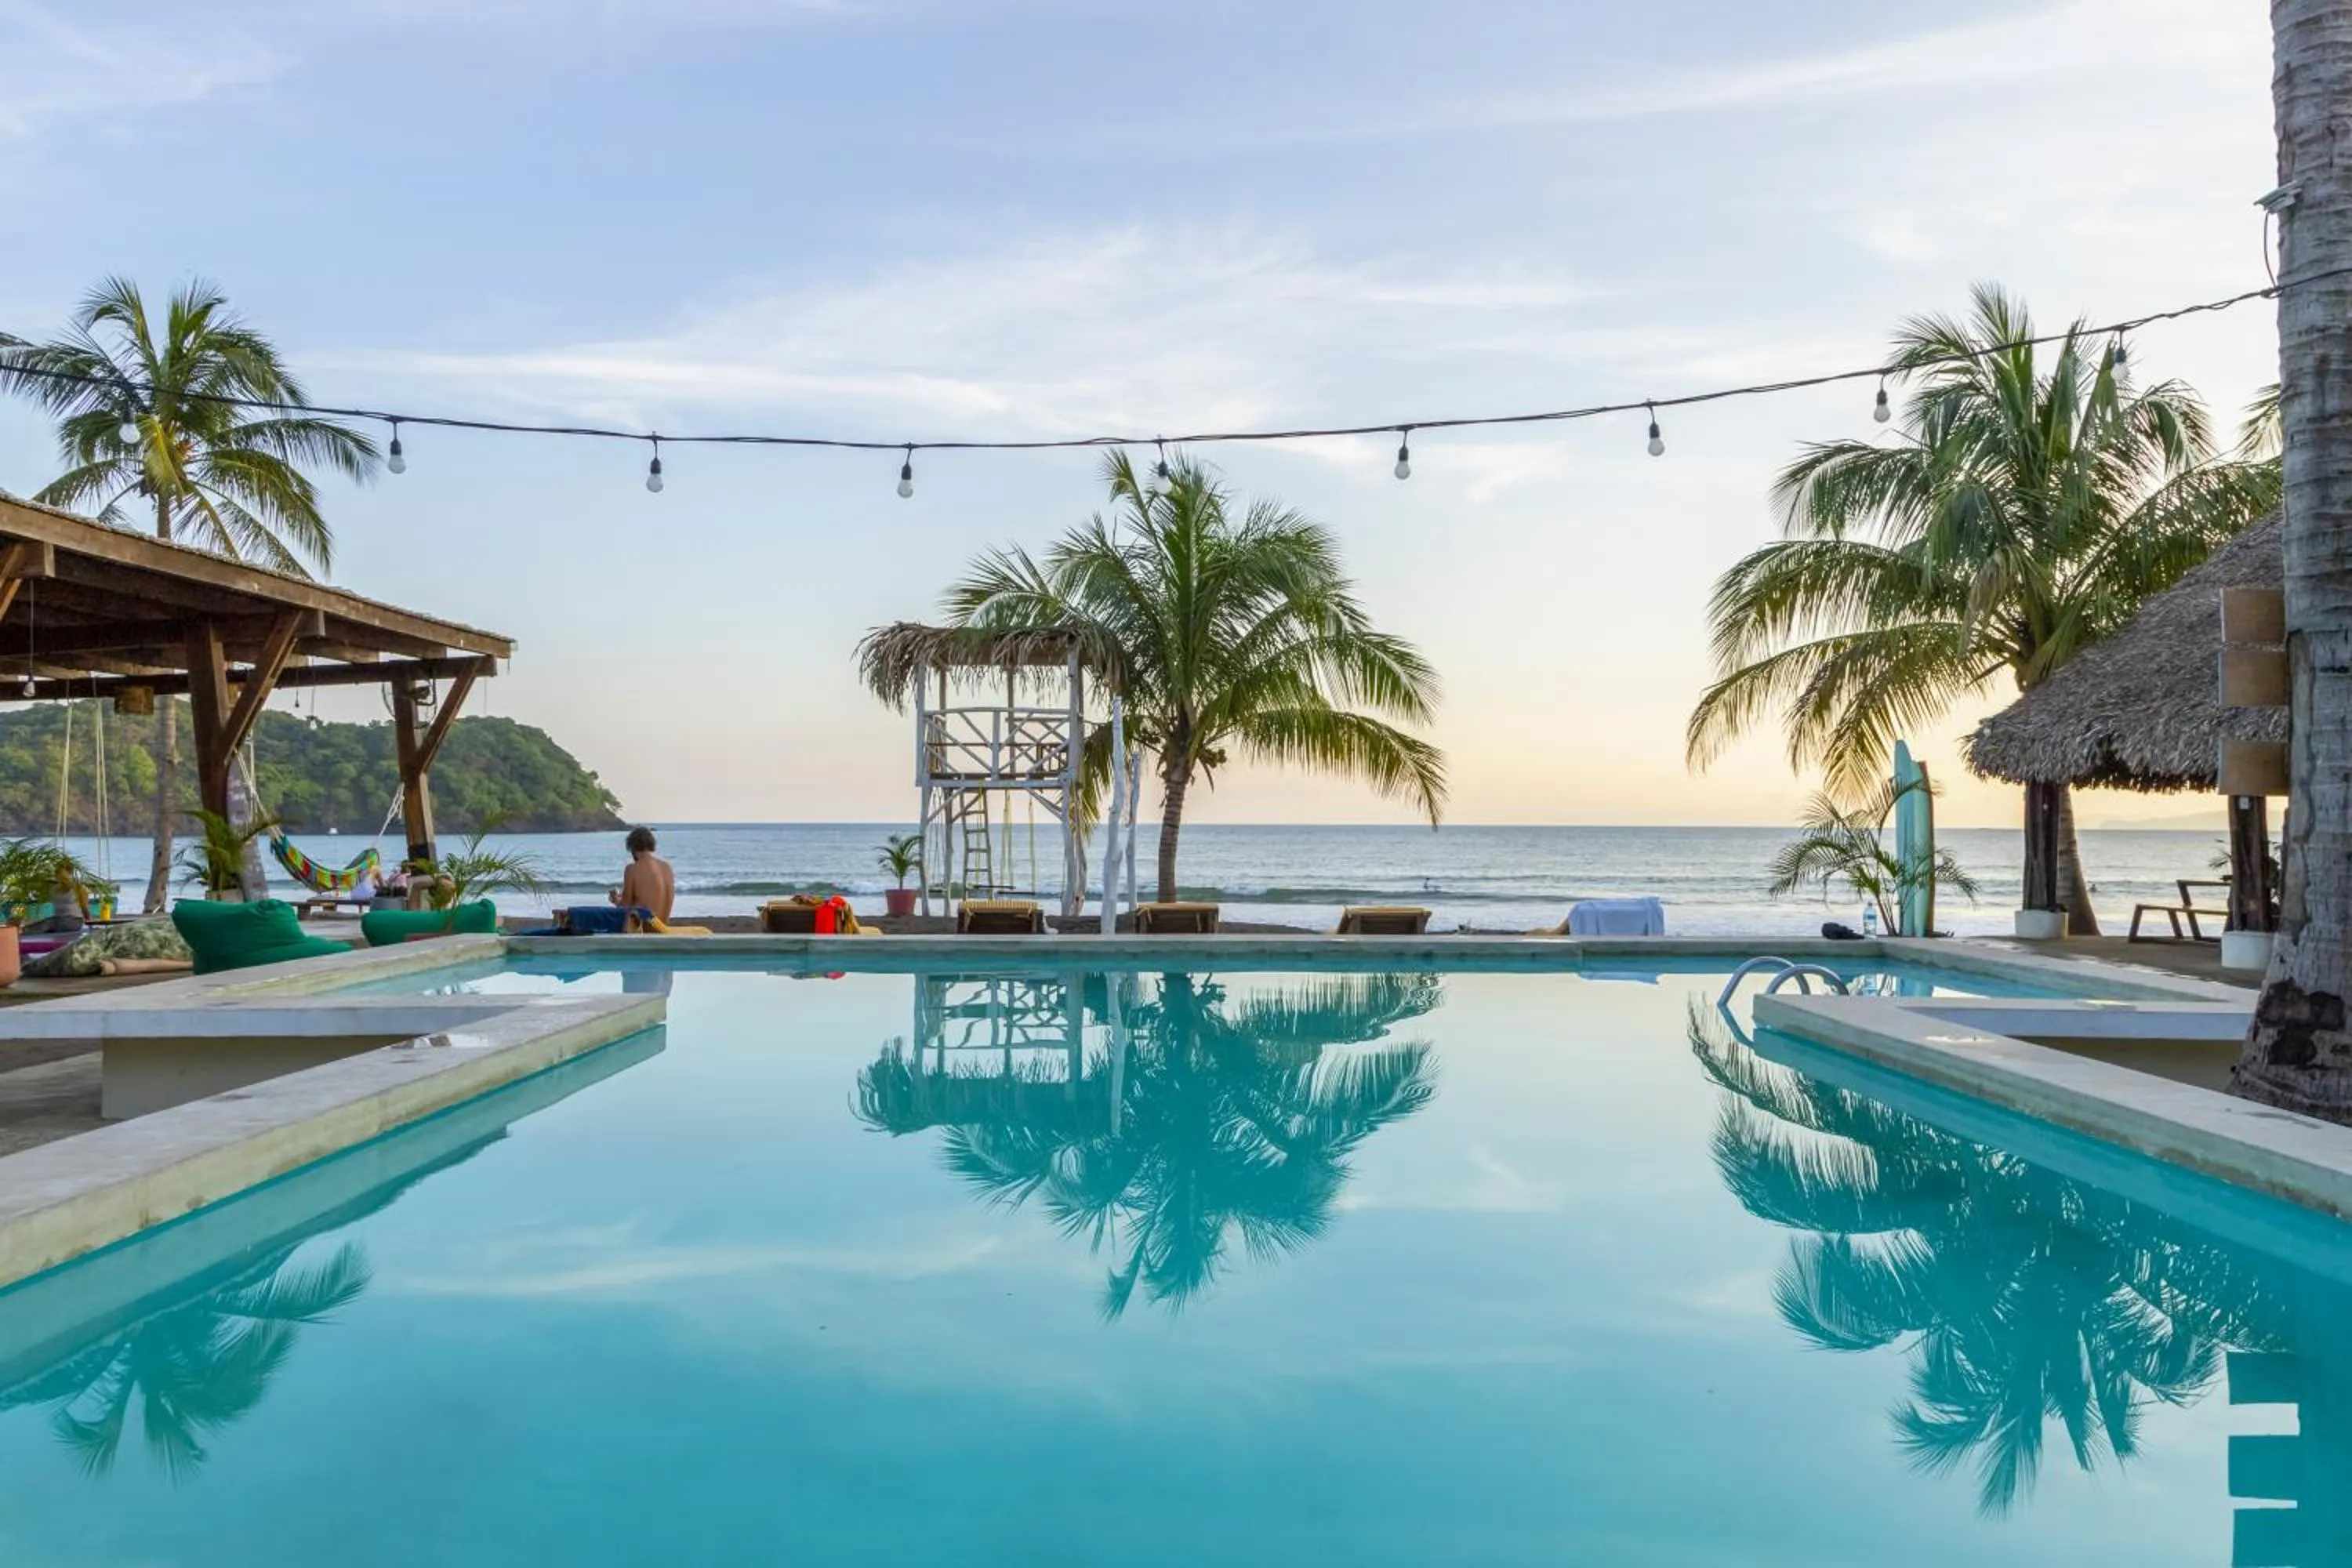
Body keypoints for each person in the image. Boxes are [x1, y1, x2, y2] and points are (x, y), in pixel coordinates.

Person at [610, 826, 676, 924]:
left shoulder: (632, 869)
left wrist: (616, 901)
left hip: (644, 931)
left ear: (632, 847)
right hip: (662, 929)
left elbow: (625, 908)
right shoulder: (667, 867)